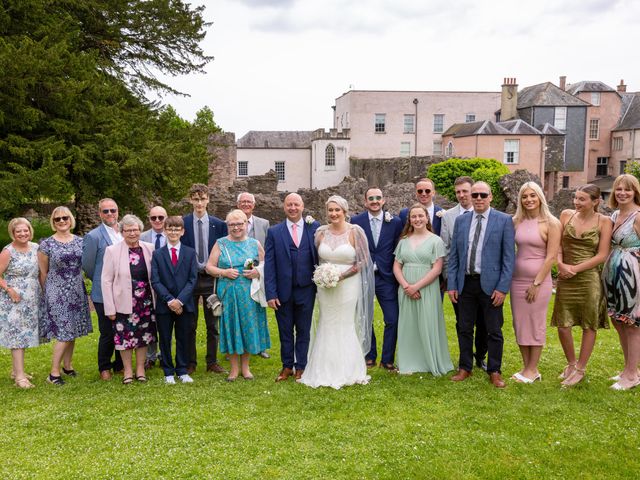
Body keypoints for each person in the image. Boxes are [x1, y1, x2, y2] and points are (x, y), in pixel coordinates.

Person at [299, 195, 374, 389]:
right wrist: (323, 275)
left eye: (337, 210)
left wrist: (341, 276)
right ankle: (323, 368)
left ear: (344, 211)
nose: (333, 214)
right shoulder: (320, 233)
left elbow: (363, 261)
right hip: (324, 285)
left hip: (348, 284)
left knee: (344, 322)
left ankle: (347, 369)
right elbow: (316, 258)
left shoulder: (355, 232)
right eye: (330, 210)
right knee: (327, 320)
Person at [447, 181, 515, 388]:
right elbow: (454, 256)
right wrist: (452, 284)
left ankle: (494, 370)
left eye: (482, 195)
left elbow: (508, 258)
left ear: (490, 197)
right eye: (475, 195)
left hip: (491, 285)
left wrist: (503, 288)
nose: (478, 199)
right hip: (465, 283)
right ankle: (465, 367)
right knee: (464, 327)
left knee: (494, 330)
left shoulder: (503, 220)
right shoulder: (461, 221)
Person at [551, 184, 612, 387]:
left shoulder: (604, 221)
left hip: (588, 278)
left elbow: (602, 255)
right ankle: (571, 363)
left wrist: (575, 269)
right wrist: (560, 264)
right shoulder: (566, 215)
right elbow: (558, 244)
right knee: (563, 323)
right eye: (576, 198)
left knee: (589, 323)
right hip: (565, 275)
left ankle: (581, 368)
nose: (576, 202)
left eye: (582, 199)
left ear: (596, 202)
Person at [205, 209, 271, 381]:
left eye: (239, 224)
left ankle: (246, 367)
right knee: (232, 327)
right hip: (229, 293)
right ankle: (234, 369)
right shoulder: (221, 243)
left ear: (245, 224)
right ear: (228, 226)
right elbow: (209, 267)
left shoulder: (254, 244)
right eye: (232, 224)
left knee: (248, 326)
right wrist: (224, 272)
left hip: (250, 293)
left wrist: (257, 271)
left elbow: (266, 264)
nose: (236, 227)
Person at [264, 193, 320, 382]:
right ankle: (287, 365)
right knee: (285, 331)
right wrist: (270, 293)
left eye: (296, 204)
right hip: (282, 291)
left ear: (303, 207)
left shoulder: (315, 228)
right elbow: (269, 264)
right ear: (284, 207)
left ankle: (301, 367)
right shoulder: (274, 232)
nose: (293, 208)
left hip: (307, 289)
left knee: (303, 330)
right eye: (289, 205)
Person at [510, 182, 561, 383]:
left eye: (533, 195)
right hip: (516, 280)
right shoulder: (516, 221)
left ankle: (533, 369)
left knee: (535, 323)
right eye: (524, 196)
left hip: (539, 282)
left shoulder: (551, 223)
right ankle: (526, 367)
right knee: (520, 323)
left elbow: (551, 257)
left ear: (540, 197)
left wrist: (537, 283)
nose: (529, 200)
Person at [393, 204, 453, 376]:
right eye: (414, 216)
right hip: (405, 288)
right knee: (408, 324)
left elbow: (437, 269)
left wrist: (416, 287)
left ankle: (429, 360)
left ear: (427, 218)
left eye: (421, 216)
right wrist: (406, 286)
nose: (417, 219)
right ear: (410, 220)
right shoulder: (403, 240)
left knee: (427, 322)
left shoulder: (436, 241)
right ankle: (409, 360)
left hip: (427, 288)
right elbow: (396, 267)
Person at [351, 187, 403, 370]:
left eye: (378, 198)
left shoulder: (395, 222)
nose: (374, 201)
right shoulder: (356, 222)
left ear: (383, 200)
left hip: (386, 277)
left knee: (393, 319)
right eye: (370, 198)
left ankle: (387, 359)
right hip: (363, 276)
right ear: (365, 202)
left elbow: (399, 246)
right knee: (365, 317)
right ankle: (369, 354)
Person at [39, 207, 92, 386]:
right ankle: (53, 373)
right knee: (64, 331)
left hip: (76, 290)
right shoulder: (46, 244)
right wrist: (46, 293)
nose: (61, 221)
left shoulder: (80, 241)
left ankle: (67, 366)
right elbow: (43, 272)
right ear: (53, 222)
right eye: (57, 219)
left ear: (71, 220)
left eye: (65, 218)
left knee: (73, 330)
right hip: (56, 292)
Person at [101, 214, 157, 384]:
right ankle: (127, 370)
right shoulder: (112, 250)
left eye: (135, 230)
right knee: (124, 338)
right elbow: (106, 280)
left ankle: (140, 369)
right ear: (121, 231)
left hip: (146, 301)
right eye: (128, 230)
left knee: (143, 336)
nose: (132, 233)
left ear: (140, 230)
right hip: (122, 302)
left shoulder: (150, 248)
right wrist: (109, 308)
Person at [441, 176, 488, 371]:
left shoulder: (491, 216)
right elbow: (446, 249)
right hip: (460, 281)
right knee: (464, 323)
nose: (462, 195)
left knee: (484, 322)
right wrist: (449, 280)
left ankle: (481, 355)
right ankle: (465, 362)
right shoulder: (449, 216)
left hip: (484, 279)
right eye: (458, 192)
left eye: (465, 191)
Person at [181, 183, 228, 374]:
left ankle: (212, 361)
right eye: (195, 199)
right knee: (190, 323)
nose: (199, 203)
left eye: (202, 198)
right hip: (191, 279)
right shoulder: (183, 223)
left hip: (211, 279)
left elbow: (224, 253)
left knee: (213, 323)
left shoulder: (219, 225)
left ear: (208, 199)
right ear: (190, 200)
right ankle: (190, 362)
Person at [602, 174, 640, 390]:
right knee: (618, 321)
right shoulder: (615, 214)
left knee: (632, 323)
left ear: (635, 192)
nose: (622, 193)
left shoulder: (638, 216)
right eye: (619, 189)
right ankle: (628, 368)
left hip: (632, 274)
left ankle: (632, 375)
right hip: (613, 272)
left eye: (628, 189)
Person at [151, 216, 198, 384]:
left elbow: (193, 279)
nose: (173, 232)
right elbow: (155, 280)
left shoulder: (190, 253)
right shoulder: (157, 254)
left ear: (182, 232)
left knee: (183, 337)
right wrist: (170, 300)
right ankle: (168, 371)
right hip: (165, 305)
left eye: (177, 229)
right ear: (165, 231)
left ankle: (182, 369)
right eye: (170, 228)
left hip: (185, 304)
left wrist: (180, 300)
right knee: (164, 338)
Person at [82, 198, 124, 380]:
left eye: (112, 210)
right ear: (100, 214)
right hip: (103, 292)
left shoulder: (124, 232)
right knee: (107, 331)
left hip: (123, 291)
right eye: (105, 211)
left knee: (123, 328)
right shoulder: (94, 236)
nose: (109, 214)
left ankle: (120, 365)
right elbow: (88, 265)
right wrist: (101, 281)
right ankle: (104, 367)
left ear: (118, 211)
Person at [0, 218, 41, 388]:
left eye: (26, 230)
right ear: (13, 233)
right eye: (19, 231)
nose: (23, 234)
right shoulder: (8, 251)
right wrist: (9, 289)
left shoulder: (36, 248)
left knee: (24, 335)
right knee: (17, 336)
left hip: (32, 297)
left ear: (30, 231)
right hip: (13, 299)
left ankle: (16, 371)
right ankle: (19, 378)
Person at [237, 191, 271, 359]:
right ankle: (239, 345)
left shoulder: (264, 223)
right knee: (238, 313)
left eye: (249, 202)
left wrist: (260, 271)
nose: (246, 204)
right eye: (242, 202)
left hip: (258, 272)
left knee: (258, 310)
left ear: (254, 205)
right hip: (237, 274)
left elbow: (268, 248)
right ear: (238, 205)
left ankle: (260, 346)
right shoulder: (229, 222)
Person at [141, 205, 168, 369]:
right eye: (153, 218)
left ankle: (164, 354)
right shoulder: (142, 237)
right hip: (147, 286)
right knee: (149, 321)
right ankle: (150, 356)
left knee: (165, 322)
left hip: (168, 285)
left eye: (160, 217)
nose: (157, 221)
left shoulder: (173, 235)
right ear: (149, 219)